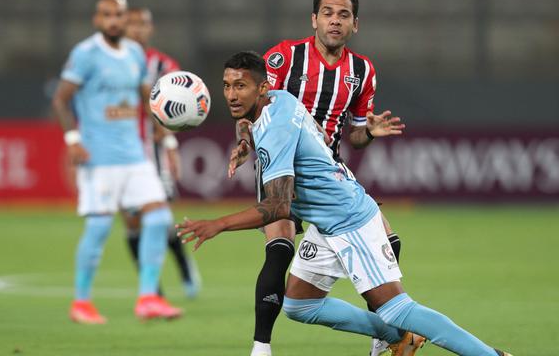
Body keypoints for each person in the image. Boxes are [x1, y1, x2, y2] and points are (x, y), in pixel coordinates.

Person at [178, 51, 512, 356]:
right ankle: (400, 337)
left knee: (397, 308)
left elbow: (278, 207)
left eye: (241, 86)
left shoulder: (276, 127)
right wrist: (245, 140)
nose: (232, 94)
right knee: (299, 304)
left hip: (349, 220)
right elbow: (295, 135)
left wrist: (218, 224)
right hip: (328, 222)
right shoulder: (281, 99)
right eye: (226, 85)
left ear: (262, 87)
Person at [227, 0, 406, 356]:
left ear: (355, 24)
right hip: (280, 168)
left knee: (390, 241)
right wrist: (245, 141)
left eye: (343, 15)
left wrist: (369, 132)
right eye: (327, 13)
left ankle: (383, 335)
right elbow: (250, 104)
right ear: (314, 19)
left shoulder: (362, 70)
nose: (334, 21)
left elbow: (354, 135)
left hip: (326, 173)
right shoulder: (285, 58)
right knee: (279, 248)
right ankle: (261, 347)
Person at [52, 0, 182, 324]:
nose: (113, 20)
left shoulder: (135, 54)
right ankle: (81, 302)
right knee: (99, 226)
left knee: (158, 217)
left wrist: (163, 134)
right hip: (99, 158)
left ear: (126, 20)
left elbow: (144, 98)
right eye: (106, 15)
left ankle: (148, 297)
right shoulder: (86, 53)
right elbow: (61, 100)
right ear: (97, 20)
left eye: (118, 15)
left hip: (134, 156)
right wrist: (73, 140)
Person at [124, 6, 201, 299]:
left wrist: (170, 146)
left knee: (160, 218)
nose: (137, 29)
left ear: (150, 28)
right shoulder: (112, 63)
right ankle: (152, 289)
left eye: (142, 24)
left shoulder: (165, 67)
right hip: (123, 154)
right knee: (132, 222)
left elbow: (177, 112)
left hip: (154, 153)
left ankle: (183, 265)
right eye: (132, 23)